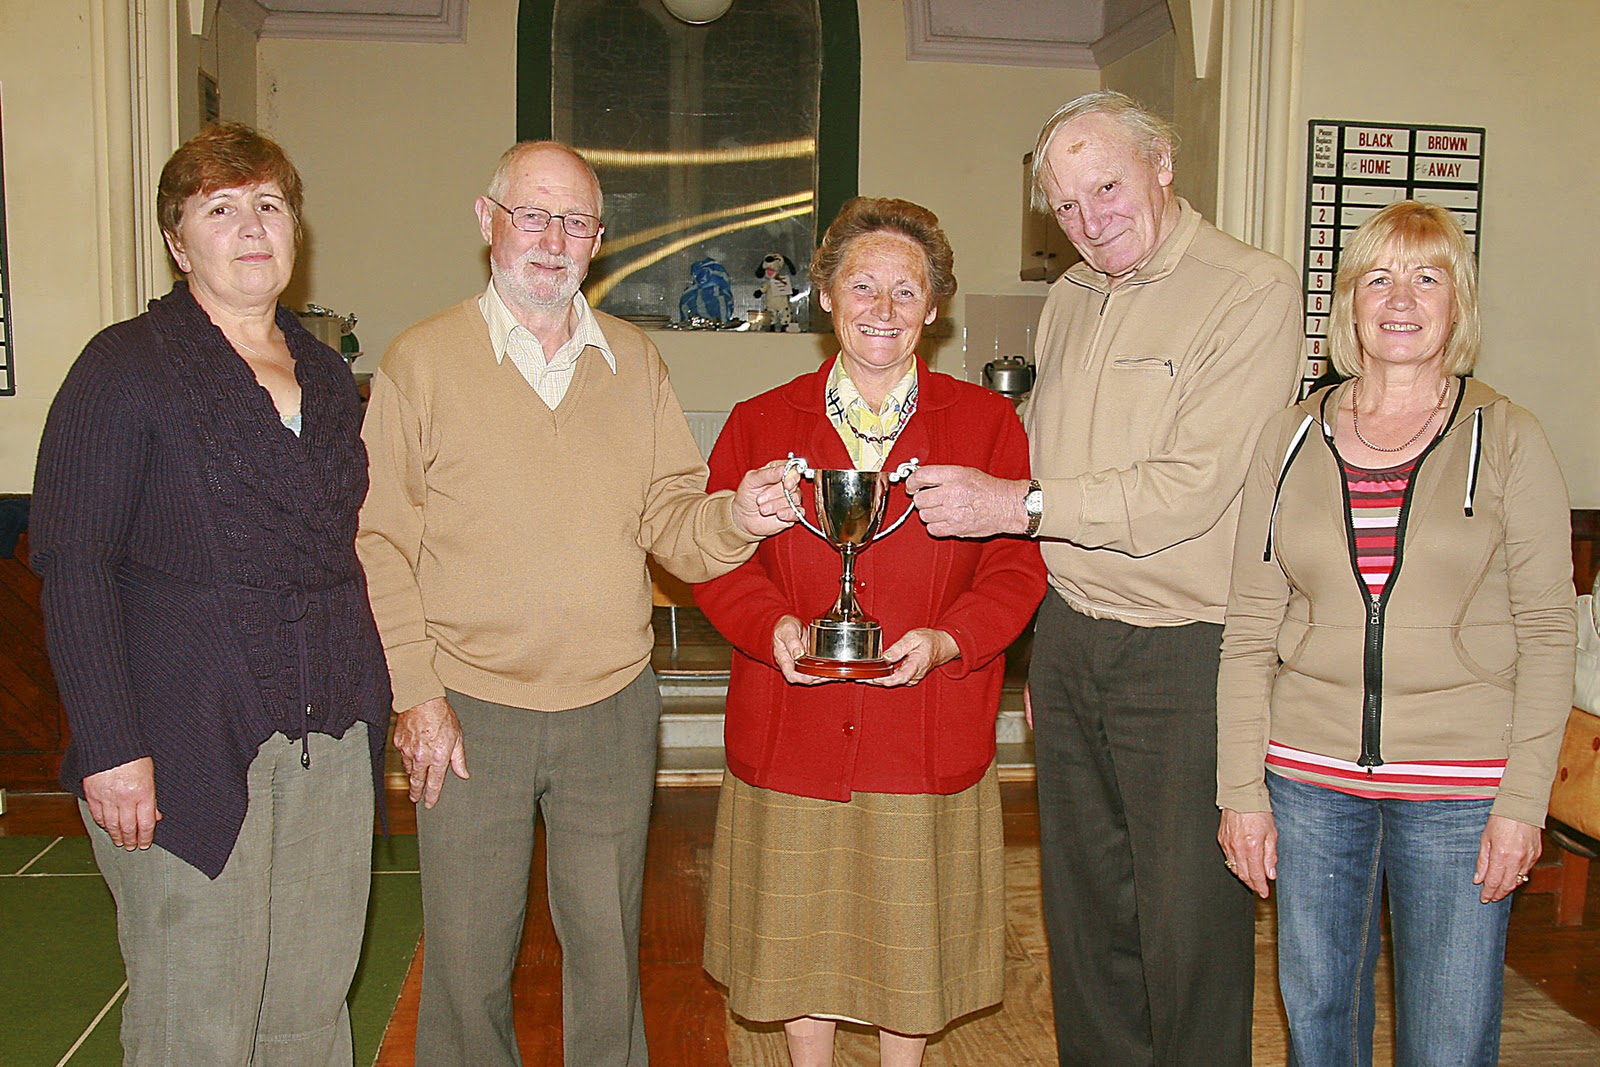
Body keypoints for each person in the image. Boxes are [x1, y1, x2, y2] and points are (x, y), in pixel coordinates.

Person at [355, 140, 797, 1067]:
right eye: (534, 215)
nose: (553, 240)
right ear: (488, 221)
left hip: (611, 707)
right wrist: (416, 693)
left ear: (598, 239)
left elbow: (673, 518)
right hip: (468, 710)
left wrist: (738, 516)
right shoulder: (419, 362)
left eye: (576, 221)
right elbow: (380, 540)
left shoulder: (635, 361)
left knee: (607, 957)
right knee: (467, 963)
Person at [904, 91, 1303, 1065]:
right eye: (1066, 205)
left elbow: (1188, 491)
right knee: (1085, 924)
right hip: (1075, 640)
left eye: (1107, 188)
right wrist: (1043, 637)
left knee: (1187, 929)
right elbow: (1041, 452)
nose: (1089, 221)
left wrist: (1016, 505)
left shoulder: (1250, 290)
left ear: (1162, 164)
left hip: (1188, 650)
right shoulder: (1072, 297)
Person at [30, 122, 391, 1065]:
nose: (251, 226)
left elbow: (343, 551)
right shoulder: (125, 367)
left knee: (309, 1008)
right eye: (220, 209)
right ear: (177, 241)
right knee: (198, 1018)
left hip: (328, 737)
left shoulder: (326, 375)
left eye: (269, 204)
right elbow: (74, 567)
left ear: (296, 228)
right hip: (182, 745)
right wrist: (110, 745)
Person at [1216, 200, 1576, 1064]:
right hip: (1308, 781)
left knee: (1449, 1036)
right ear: (1350, 302)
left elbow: (1549, 632)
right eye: (1378, 278)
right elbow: (1251, 624)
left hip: (1461, 789)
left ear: (1458, 303)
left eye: (1427, 277)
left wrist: (1523, 802)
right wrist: (1240, 790)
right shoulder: (1289, 437)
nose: (1402, 299)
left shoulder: (1510, 438)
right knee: (1318, 1023)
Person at [696, 197, 1048, 1067]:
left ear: (934, 307)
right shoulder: (759, 422)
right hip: (793, 727)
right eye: (863, 285)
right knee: (797, 943)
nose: (883, 308)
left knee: (908, 952)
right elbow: (716, 557)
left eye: (906, 289)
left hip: (923, 729)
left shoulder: (986, 426)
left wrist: (950, 640)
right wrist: (772, 625)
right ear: (825, 295)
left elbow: (1017, 570)